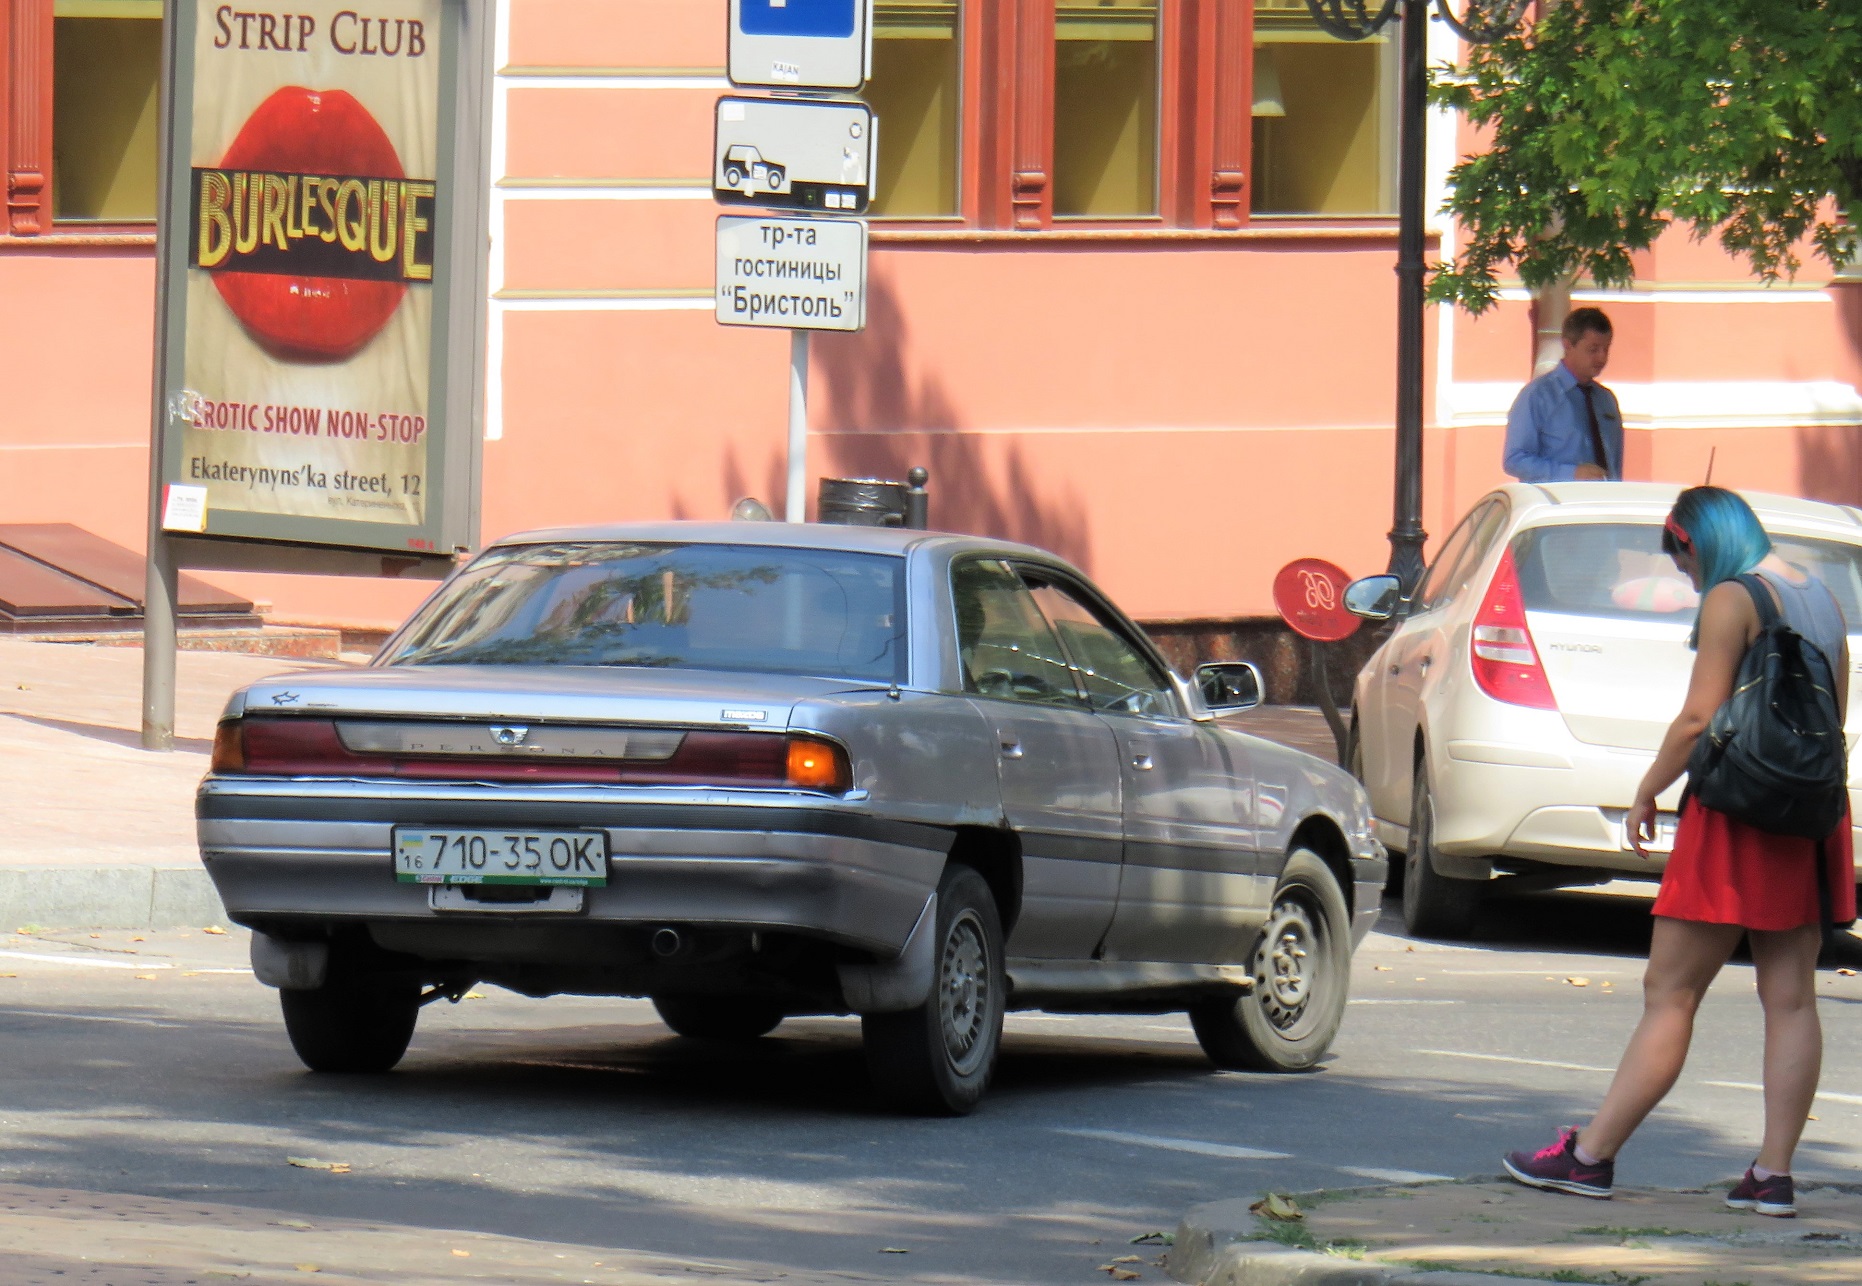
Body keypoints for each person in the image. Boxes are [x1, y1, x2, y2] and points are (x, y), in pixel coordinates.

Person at [1502, 486, 1856, 1218]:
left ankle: (1590, 1156)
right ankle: (1772, 1175)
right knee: (1790, 998)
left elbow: (1701, 716)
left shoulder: (1734, 597)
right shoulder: (1819, 594)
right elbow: (1835, 714)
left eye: (1684, 566)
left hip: (1736, 816)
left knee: (1671, 993)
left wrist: (1647, 789)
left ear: (1695, 544)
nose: (1690, 583)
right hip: (1806, 812)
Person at [1503, 307, 1623, 482]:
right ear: (1568, 345)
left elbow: (1615, 465)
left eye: (1606, 349)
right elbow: (1514, 460)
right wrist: (1571, 473)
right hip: (1557, 505)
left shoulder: (1606, 400)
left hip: (1603, 504)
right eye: (1593, 349)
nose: (1602, 358)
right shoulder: (1538, 396)